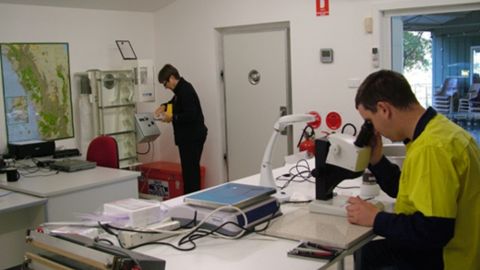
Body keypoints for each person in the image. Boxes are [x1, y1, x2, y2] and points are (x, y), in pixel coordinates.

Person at [347, 69, 480, 270]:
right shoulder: (438, 131)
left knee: (371, 256)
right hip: (459, 248)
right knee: (368, 252)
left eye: (370, 122)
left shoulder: (432, 148)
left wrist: (376, 218)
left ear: (384, 109)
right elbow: (409, 191)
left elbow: (433, 231)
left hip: (448, 259)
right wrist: (376, 161)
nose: (374, 131)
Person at [155, 64, 208, 194]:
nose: (165, 87)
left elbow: (191, 114)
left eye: (165, 83)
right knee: (188, 172)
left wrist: (173, 118)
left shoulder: (185, 90)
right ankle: (189, 198)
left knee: (191, 173)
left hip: (192, 137)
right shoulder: (179, 90)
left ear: (172, 78)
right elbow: (174, 104)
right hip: (187, 138)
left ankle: (192, 199)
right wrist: (164, 106)